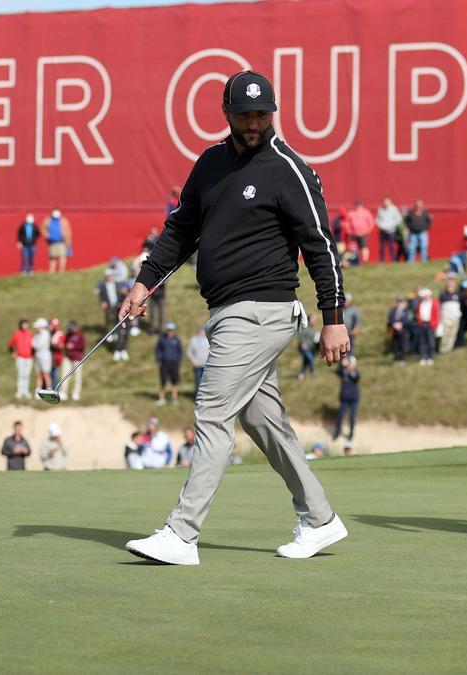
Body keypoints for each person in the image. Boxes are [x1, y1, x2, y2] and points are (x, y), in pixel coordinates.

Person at [122, 71, 350, 565]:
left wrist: (333, 317)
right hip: (226, 312)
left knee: (212, 410)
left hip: (263, 310)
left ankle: (182, 534)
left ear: (273, 112)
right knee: (264, 421)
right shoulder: (210, 163)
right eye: (244, 114)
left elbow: (320, 246)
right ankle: (320, 519)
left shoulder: (289, 168)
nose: (253, 123)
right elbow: (181, 231)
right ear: (226, 113)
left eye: (262, 114)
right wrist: (145, 282)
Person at [332, 356, 360, 444]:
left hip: (354, 399)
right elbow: (337, 371)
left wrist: (350, 370)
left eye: (351, 363)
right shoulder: (343, 372)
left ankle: (351, 433)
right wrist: (342, 364)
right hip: (344, 398)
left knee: (352, 417)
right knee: (340, 416)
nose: (349, 365)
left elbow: (356, 377)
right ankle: (337, 432)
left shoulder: (355, 373)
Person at [154, 322, 183, 406]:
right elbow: (157, 350)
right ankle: (161, 398)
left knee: (174, 382)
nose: (170, 331)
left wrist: (178, 361)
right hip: (164, 364)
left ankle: (174, 398)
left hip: (174, 364)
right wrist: (158, 360)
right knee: (163, 381)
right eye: (169, 330)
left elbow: (180, 351)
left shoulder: (176, 340)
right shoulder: (162, 339)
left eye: (171, 330)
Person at [7, 319, 34, 398]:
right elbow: (10, 344)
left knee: (27, 375)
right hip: (20, 358)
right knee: (20, 375)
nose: (25, 326)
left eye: (26, 324)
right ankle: (19, 391)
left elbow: (33, 345)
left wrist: (33, 354)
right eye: (23, 324)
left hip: (29, 358)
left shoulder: (30, 333)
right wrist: (13, 352)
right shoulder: (17, 333)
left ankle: (26, 391)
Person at [42, 208, 73, 273]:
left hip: (62, 241)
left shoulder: (64, 221)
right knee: (52, 257)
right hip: (52, 242)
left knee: (63, 256)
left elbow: (68, 230)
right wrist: (47, 236)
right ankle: (51, 271)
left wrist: (68, 240)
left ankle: (62, 271)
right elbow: (43, 229)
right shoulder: (48, 220)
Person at [61, 321, 86, 401]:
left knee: (77, 376)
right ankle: (63, 392)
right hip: (67, 357)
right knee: (64, 375)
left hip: (77, 358)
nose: (71, 330)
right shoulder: (68, 334)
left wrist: (73, 346)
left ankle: (76, 393)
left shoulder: (80, 335)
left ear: (76, 327)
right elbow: (64, 344)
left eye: (72, 328)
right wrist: (65, 346)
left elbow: (82, 346)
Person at [414, 288, 439, 366]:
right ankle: (423, 358)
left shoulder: (434, 303)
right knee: (423, 342)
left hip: (430, 324)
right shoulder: (420, 303)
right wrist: (419, 321)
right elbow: (417, 313)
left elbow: (437, 315)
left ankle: (431, 357)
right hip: (422, 324)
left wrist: (435, 325)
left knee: (431, 342)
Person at [437, 279, 462, 354]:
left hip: (456, 318)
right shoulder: (443, 295)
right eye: (449, 286)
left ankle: (449, 349)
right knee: (445, 334)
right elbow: (439, 306)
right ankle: (443, 349)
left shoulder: (458, 294)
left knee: (453, 334)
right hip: (446, 317)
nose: (451, 287)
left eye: (452, 286)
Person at [376, 196, 403, 262]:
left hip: (391, 231)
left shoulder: (394, 209)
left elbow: (399, 219)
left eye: (387, 201)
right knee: (382, 248)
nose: (385, 203)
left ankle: (393, 260)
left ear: (390, 201)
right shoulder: (381, 209)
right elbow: (378, 219)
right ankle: (381, 261)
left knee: (392, 247)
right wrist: (380, 225)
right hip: (382, 231)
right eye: (384, 201)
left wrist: (391, 225)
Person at [183, 325, 210, 392]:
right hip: (197, 365)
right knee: (198, 381)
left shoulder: (209, 339)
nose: (201, 331)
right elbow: (189, 351)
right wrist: (193, 359)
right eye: (200, 330)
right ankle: (197, 397)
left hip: (208, 365)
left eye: (203, 330)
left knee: (207, 381)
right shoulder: (194, 339)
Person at [31, 317, 52, 392]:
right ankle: (38, 392)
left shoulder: (45, 334)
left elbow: (37, 345)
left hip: (45, 356)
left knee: (46, 374)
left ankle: (49, 390)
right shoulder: (37, 335)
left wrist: (35, 344)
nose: (36, 328)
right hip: (38, 356)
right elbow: (33, 344)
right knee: (39, 374)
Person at [386, 295, 410, 362]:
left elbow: (408, 320)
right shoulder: (393, 310)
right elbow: (389, 319)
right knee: (395, 345)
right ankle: (396, 359)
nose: (399, 303)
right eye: (398, 302)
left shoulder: (406, 311)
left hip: (403, 331)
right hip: (394, 331)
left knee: (402, 345)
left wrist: (401, 324)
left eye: (401, 302)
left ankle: (402, 359)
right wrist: (394, 324)